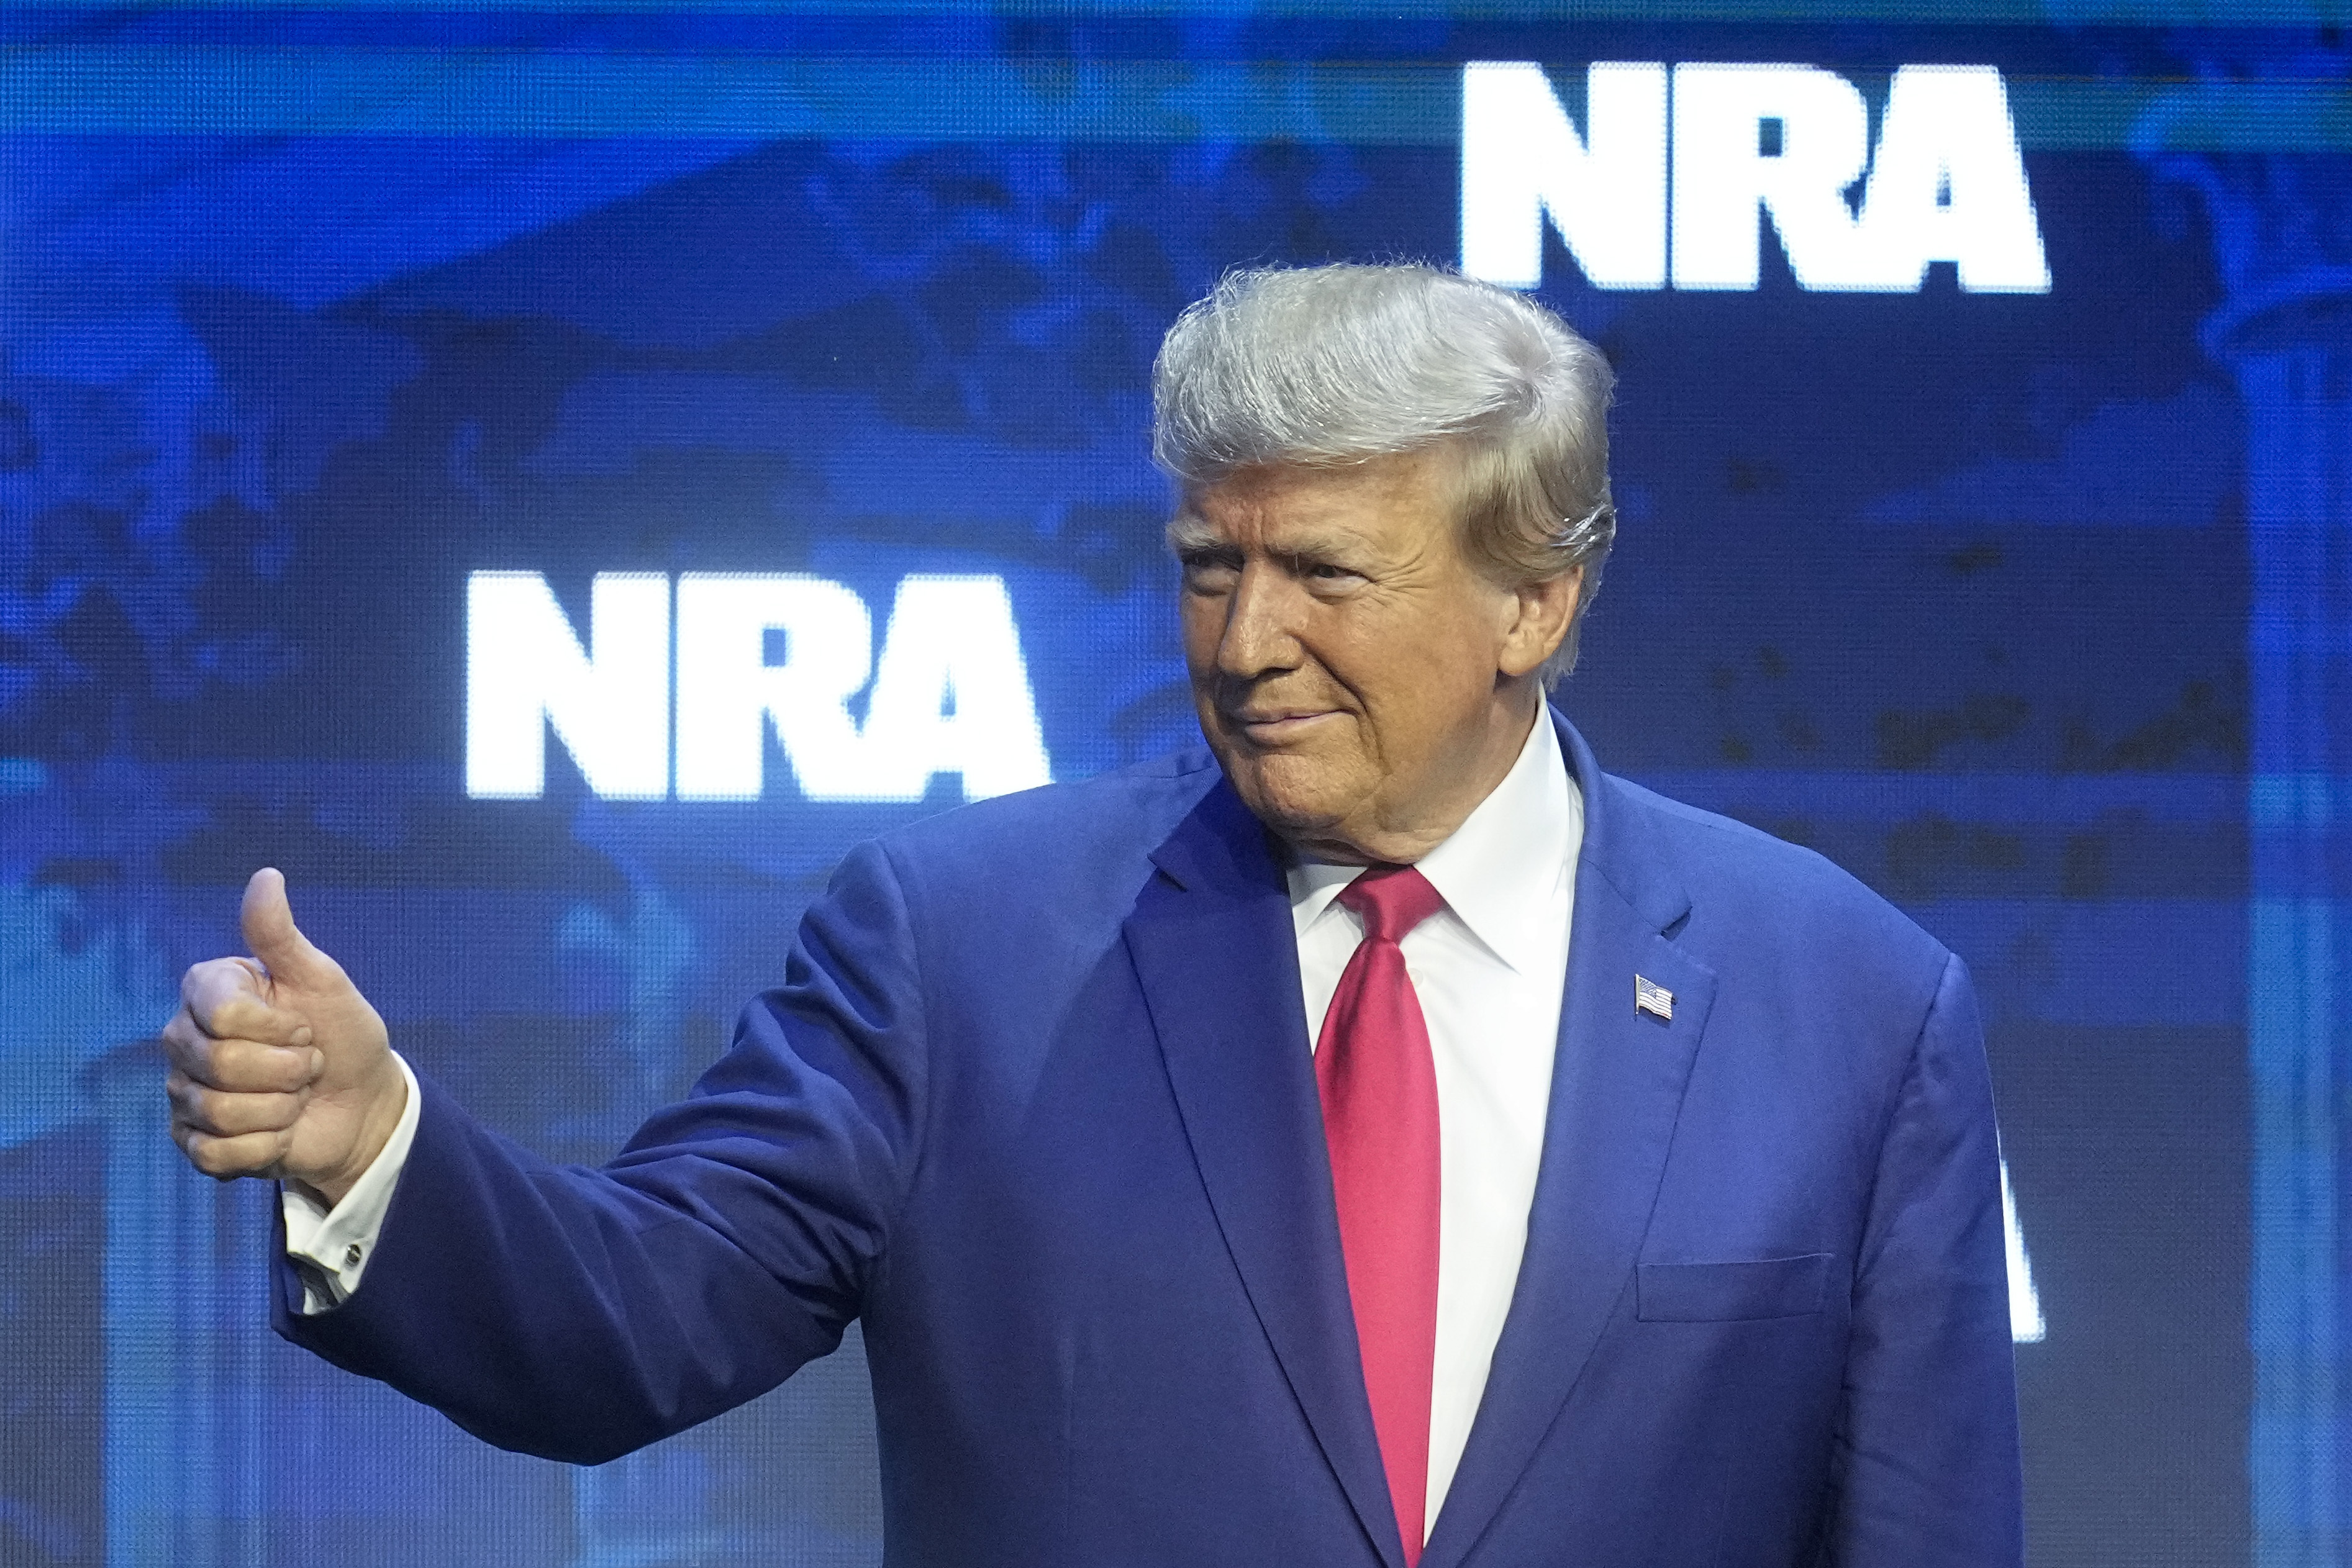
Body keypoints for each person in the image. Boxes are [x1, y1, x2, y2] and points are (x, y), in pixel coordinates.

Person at [162, 263, 2022, 1568]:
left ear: (1531, 602)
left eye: (1323, 574)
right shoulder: (958, 944)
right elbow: (626, 1325)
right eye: (1210, 567)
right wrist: (374, 1148)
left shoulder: (1845, 1003)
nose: (1244, 640)